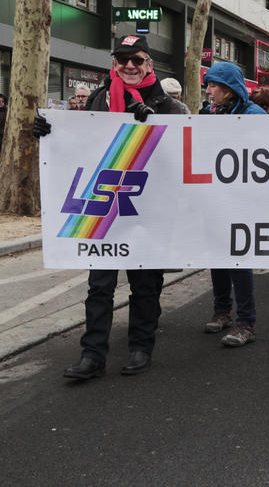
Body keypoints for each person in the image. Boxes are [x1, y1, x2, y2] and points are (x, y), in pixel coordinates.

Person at [33, 35, 185, 379]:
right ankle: (93, 355)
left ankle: (140, 347)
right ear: (113, 63)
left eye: (137, 59)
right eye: (122, 59)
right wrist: (48, 133)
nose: (129, 65)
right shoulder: (100, 99)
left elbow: (183, 160)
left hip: (148, 212)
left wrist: (151, 130)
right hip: (105, 208)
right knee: (99, 285)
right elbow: (79, 145)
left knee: (145, 285)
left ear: (149, 64)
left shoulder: (169, 106)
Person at [202, 62, 265, 347]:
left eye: (213, 85)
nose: (209, 90)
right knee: (217, 256)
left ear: (228, 89)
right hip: (215, 197)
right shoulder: (207, 114)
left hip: (244, 200)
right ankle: (222, 310)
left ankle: (246, 322)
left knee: (239, 260)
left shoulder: (254, 115)